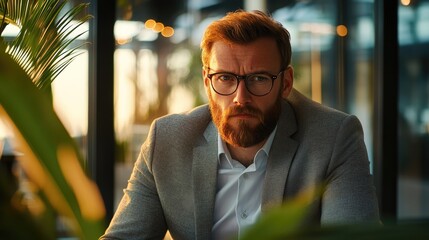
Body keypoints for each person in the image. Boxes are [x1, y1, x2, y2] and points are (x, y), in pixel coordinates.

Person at [100, 9, 380, 240]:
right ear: (207, 82)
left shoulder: (333, 138)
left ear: (285, 83)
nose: (240, 98)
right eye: (225, 78)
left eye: (258, 79)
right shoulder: (167, 140)